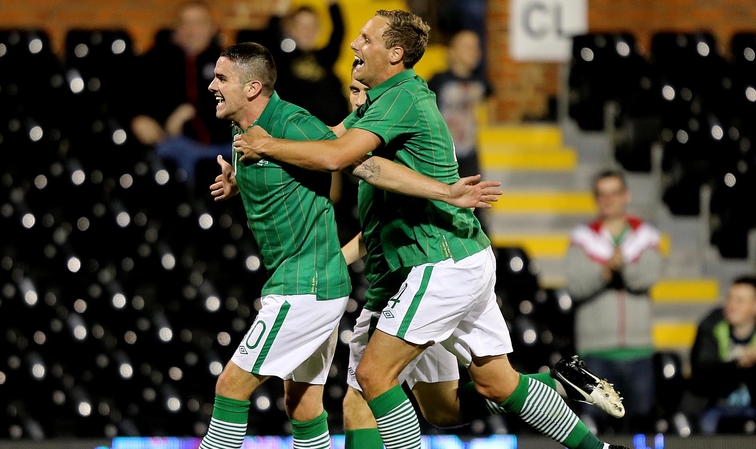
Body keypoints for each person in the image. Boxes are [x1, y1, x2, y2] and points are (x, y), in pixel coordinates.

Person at [234, 11, 628, 449]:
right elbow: (343, 158)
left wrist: (265, 145)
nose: (354, 48)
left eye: (365, 40)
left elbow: (338, 156)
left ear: (395, 54)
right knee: (465, 399)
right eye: (351, 89)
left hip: (440, 265)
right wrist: (254, 168)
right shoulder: (378, 112)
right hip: (423, 271)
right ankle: (581, 419)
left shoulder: (397, 101)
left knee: (371, 379)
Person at [202, 42, 501, 449]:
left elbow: (363, 164)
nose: (211, 86)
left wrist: (445, 192)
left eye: (221, 79)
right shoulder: (243, 126)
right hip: (308, 280)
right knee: (303, 404)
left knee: (230, 386)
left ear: (253, 87)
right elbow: (281, 170)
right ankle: (541, 388)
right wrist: (241, 180)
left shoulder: (294, 126)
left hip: (305, 284)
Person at [566, 169, 662, 433]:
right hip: (596, 351)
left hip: (639, 350)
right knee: (594, 428)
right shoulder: (583, 238)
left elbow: (648, 276)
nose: (608, 199)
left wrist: (621, 267)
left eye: (614, 193)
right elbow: (576, 285)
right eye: (602, 194)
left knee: (641, 428)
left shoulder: (645, 235)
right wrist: (606, 270)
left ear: (626, 196)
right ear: (596, 198)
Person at [131, 0, 231, 185]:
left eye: (198, 23)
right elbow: (131, 96)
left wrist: (191, 111)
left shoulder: (229, 62)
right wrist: (138, 118)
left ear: (211, 28)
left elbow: (238, 104)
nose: (191, 30)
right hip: (178, 145)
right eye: (186, 23)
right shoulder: (157, 60)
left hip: (224, 145)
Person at [238, 0, 348, 126]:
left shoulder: (325, 58)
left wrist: (333, 5)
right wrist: (280, 9)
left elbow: (339, 32)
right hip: (297, 133)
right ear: (291, 29)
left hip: (329, 131)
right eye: (301, 25)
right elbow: (270, 34)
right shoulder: (282, 58)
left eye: (312, 25)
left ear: (318, 29)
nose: (307, 30)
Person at [690, 275, 756, 434]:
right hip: (717, 406)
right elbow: (703, 371)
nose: (731, 306)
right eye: (730, 299)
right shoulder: (712, 327)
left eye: (740, 301)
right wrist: (738, 365)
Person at [428, 29, 493, 179]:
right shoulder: (438, 80)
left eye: (476, 47)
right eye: (467, 47)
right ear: (452, 51)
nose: (474, 51)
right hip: (441, 152)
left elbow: (491, 99)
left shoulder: (481, 81)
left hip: (469, 151)